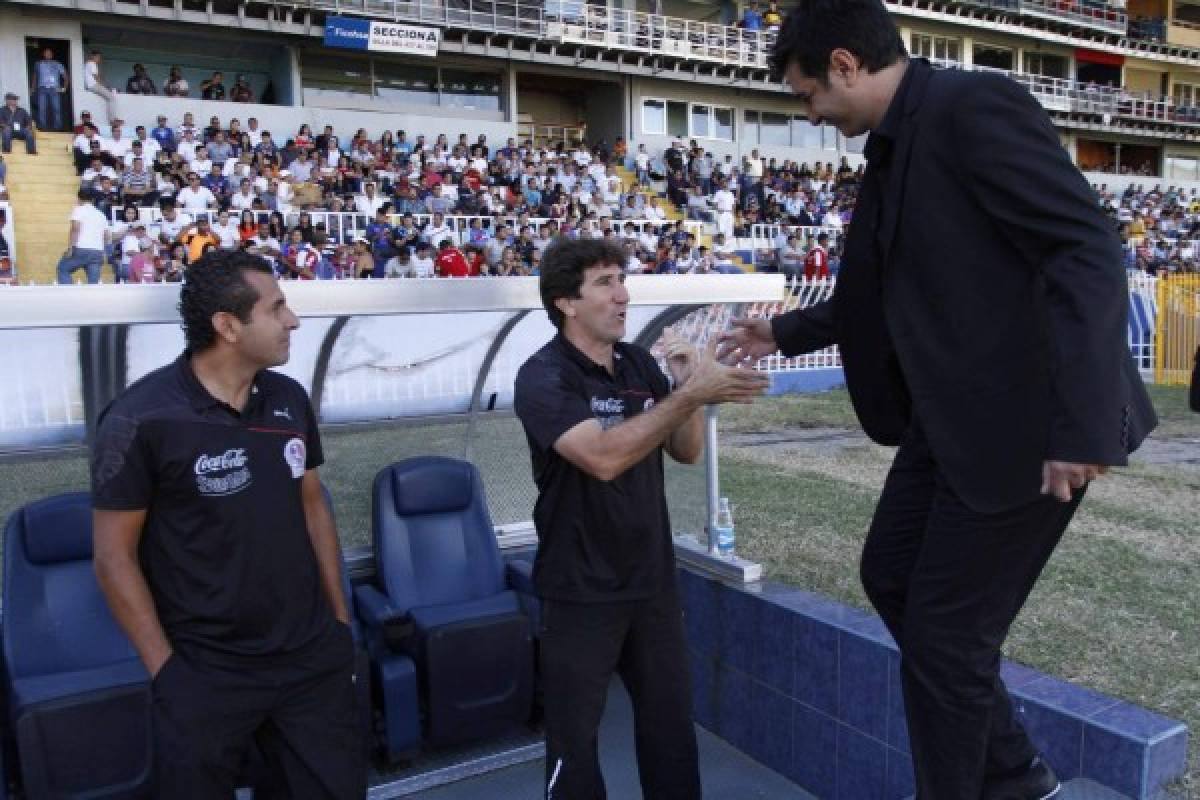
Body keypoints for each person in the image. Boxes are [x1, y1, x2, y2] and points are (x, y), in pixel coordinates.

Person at [717, 2, 1158, 798]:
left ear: (846, 65)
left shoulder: (972, 106)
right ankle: (1014, 772)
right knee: (889, 575)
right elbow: (885, 290)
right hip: (950, 420)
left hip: (1031, 424)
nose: (811, 115)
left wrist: (1084, 423)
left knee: (949, 639)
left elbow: (1085, 247)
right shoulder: (892, 146)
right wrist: (780, 333)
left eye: (809, 95)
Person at [91, 249, 366, 798]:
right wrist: (167, 672)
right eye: (277, 307)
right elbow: (113, 556)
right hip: (205, 672)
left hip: (309, 661)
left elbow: (312, 503)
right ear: (228, 326)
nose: (293, 320)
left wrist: (338, 623)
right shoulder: (141, 418)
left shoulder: (287, 397)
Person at [513, 238, 769, 800]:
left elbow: (686, 451)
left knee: (670, 730)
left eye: (621, 279)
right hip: (579, 588)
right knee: (575, 745)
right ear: (565, 302)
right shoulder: (544, 376)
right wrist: (686, 397)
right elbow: (601, 458)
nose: (623, 294)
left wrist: (685, 386)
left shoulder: (634, 363)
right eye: (605, 283)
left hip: (650, 581)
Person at [56, 189, 109, 283]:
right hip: (97, 251)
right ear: (92, 200)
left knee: (62, 268)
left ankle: (68, 295)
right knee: (93, 283)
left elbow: (75, 229)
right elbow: (106, 236)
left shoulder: (78, 210)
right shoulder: (101, 214)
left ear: (79, 198)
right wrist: (103, 252)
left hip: (81, 249)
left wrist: (70, 248)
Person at [31, 48, 68, 131]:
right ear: (43, 54)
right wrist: (32, 88)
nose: (48, 55)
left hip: (54, 89)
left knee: (56, 108)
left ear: (52, 55)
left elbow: (65, 76)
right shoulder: (39, 64)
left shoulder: (58, 64)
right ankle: (42, 127)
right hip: (42, 88)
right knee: (42, 109)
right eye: (46, 53)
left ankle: (58, 127)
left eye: (49, 53)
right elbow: (35, 76)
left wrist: (64, 87)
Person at [84, 50, 118, 125]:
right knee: (112, 98)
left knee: (110, 96)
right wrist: (105, 86)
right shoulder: (92, 63)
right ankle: (112, 120)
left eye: (99, 57)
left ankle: (112, 119)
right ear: (93, 56)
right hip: (93, 85)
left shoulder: (88, 63)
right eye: (98, 57)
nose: (99, 59)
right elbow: (96, 77)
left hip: (90, 85)